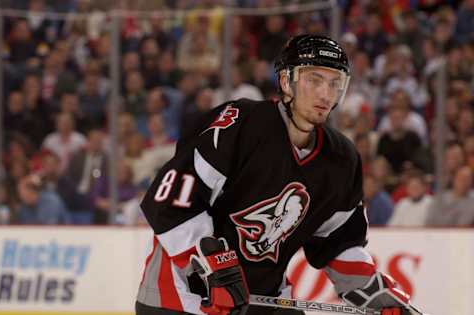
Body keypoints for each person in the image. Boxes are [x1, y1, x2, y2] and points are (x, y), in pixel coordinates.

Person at [136, 35, 424, 315]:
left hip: (263, 301)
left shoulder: (341, 160)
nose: (326, 94)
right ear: (287, 81)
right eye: (314, 80)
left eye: (335, 83)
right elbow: (170, 201)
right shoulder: (241, 123)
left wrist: (376, 294)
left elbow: (339, 243)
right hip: (181, 299)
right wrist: (214, 268)